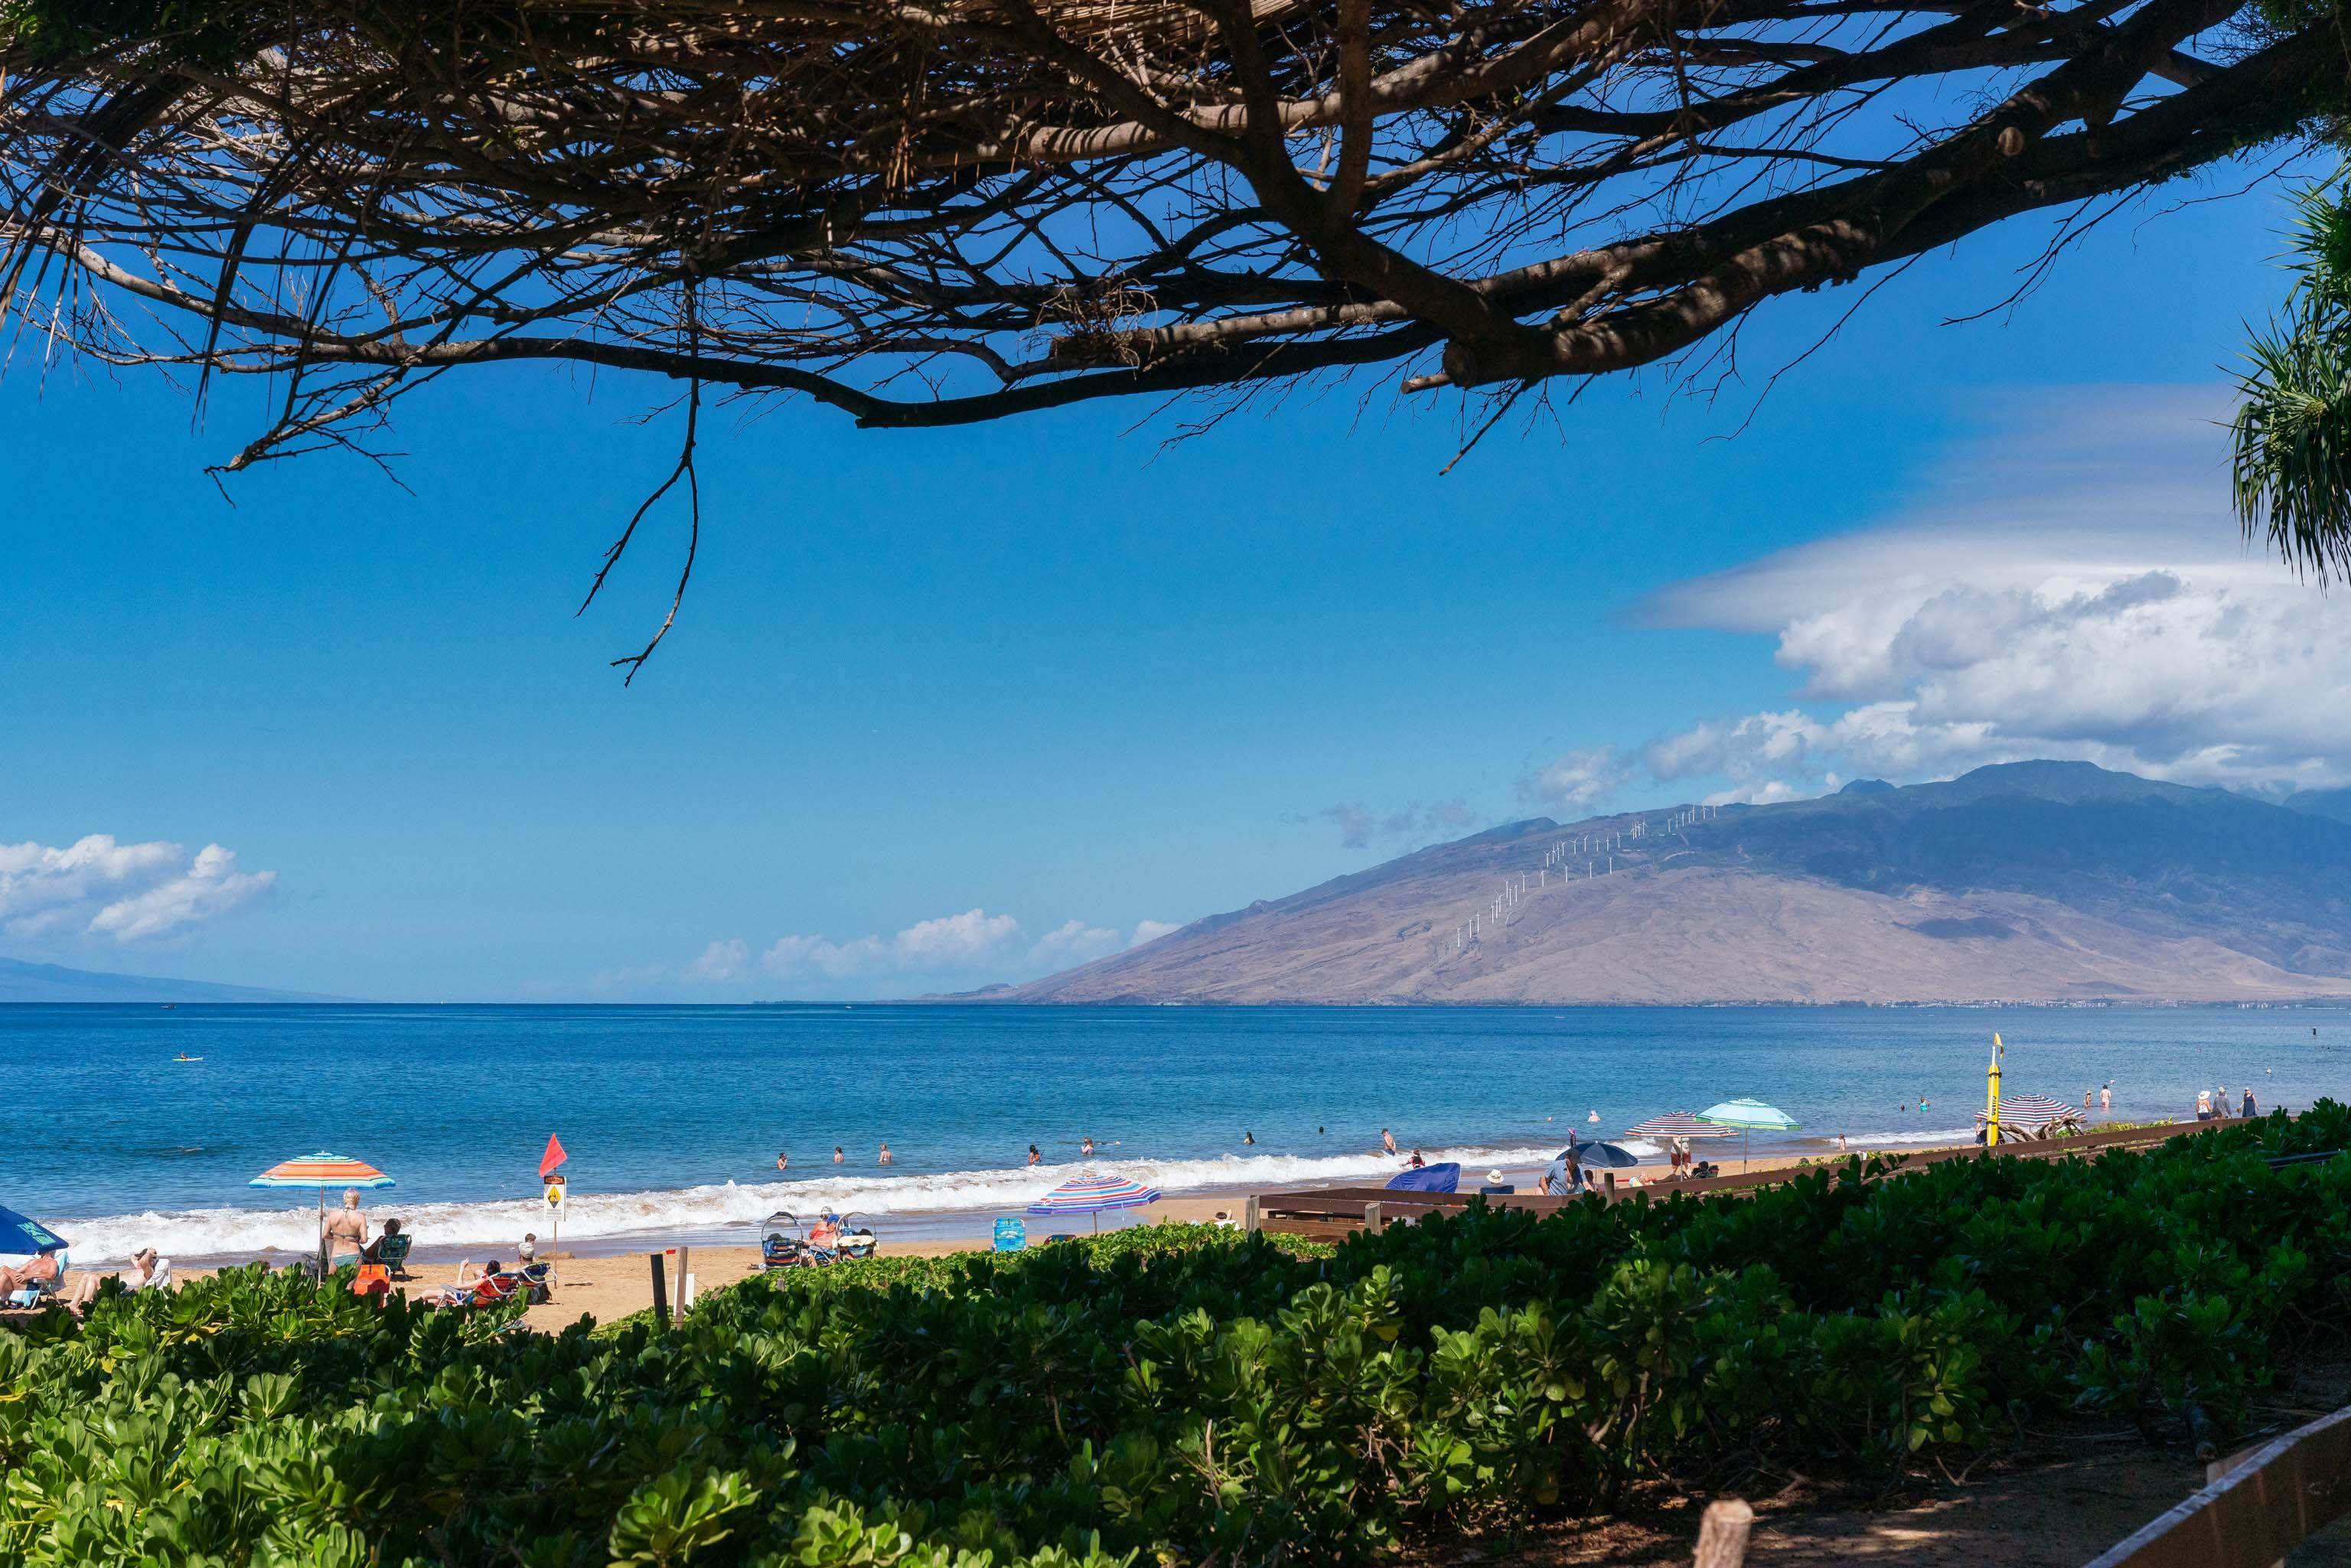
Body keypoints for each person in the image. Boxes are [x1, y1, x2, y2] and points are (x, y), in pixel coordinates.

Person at [322, 1188, 370, 1269]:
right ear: (357, 1200)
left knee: (334, 1281)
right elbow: (364, 1240)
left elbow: (325, 1235)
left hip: (336, 1255)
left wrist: (336, 1237)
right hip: (353, 1254)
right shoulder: (360, 1217)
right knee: (351, 1281)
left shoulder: (333, 1215)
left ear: (344, 1200)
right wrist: (355, 1238)